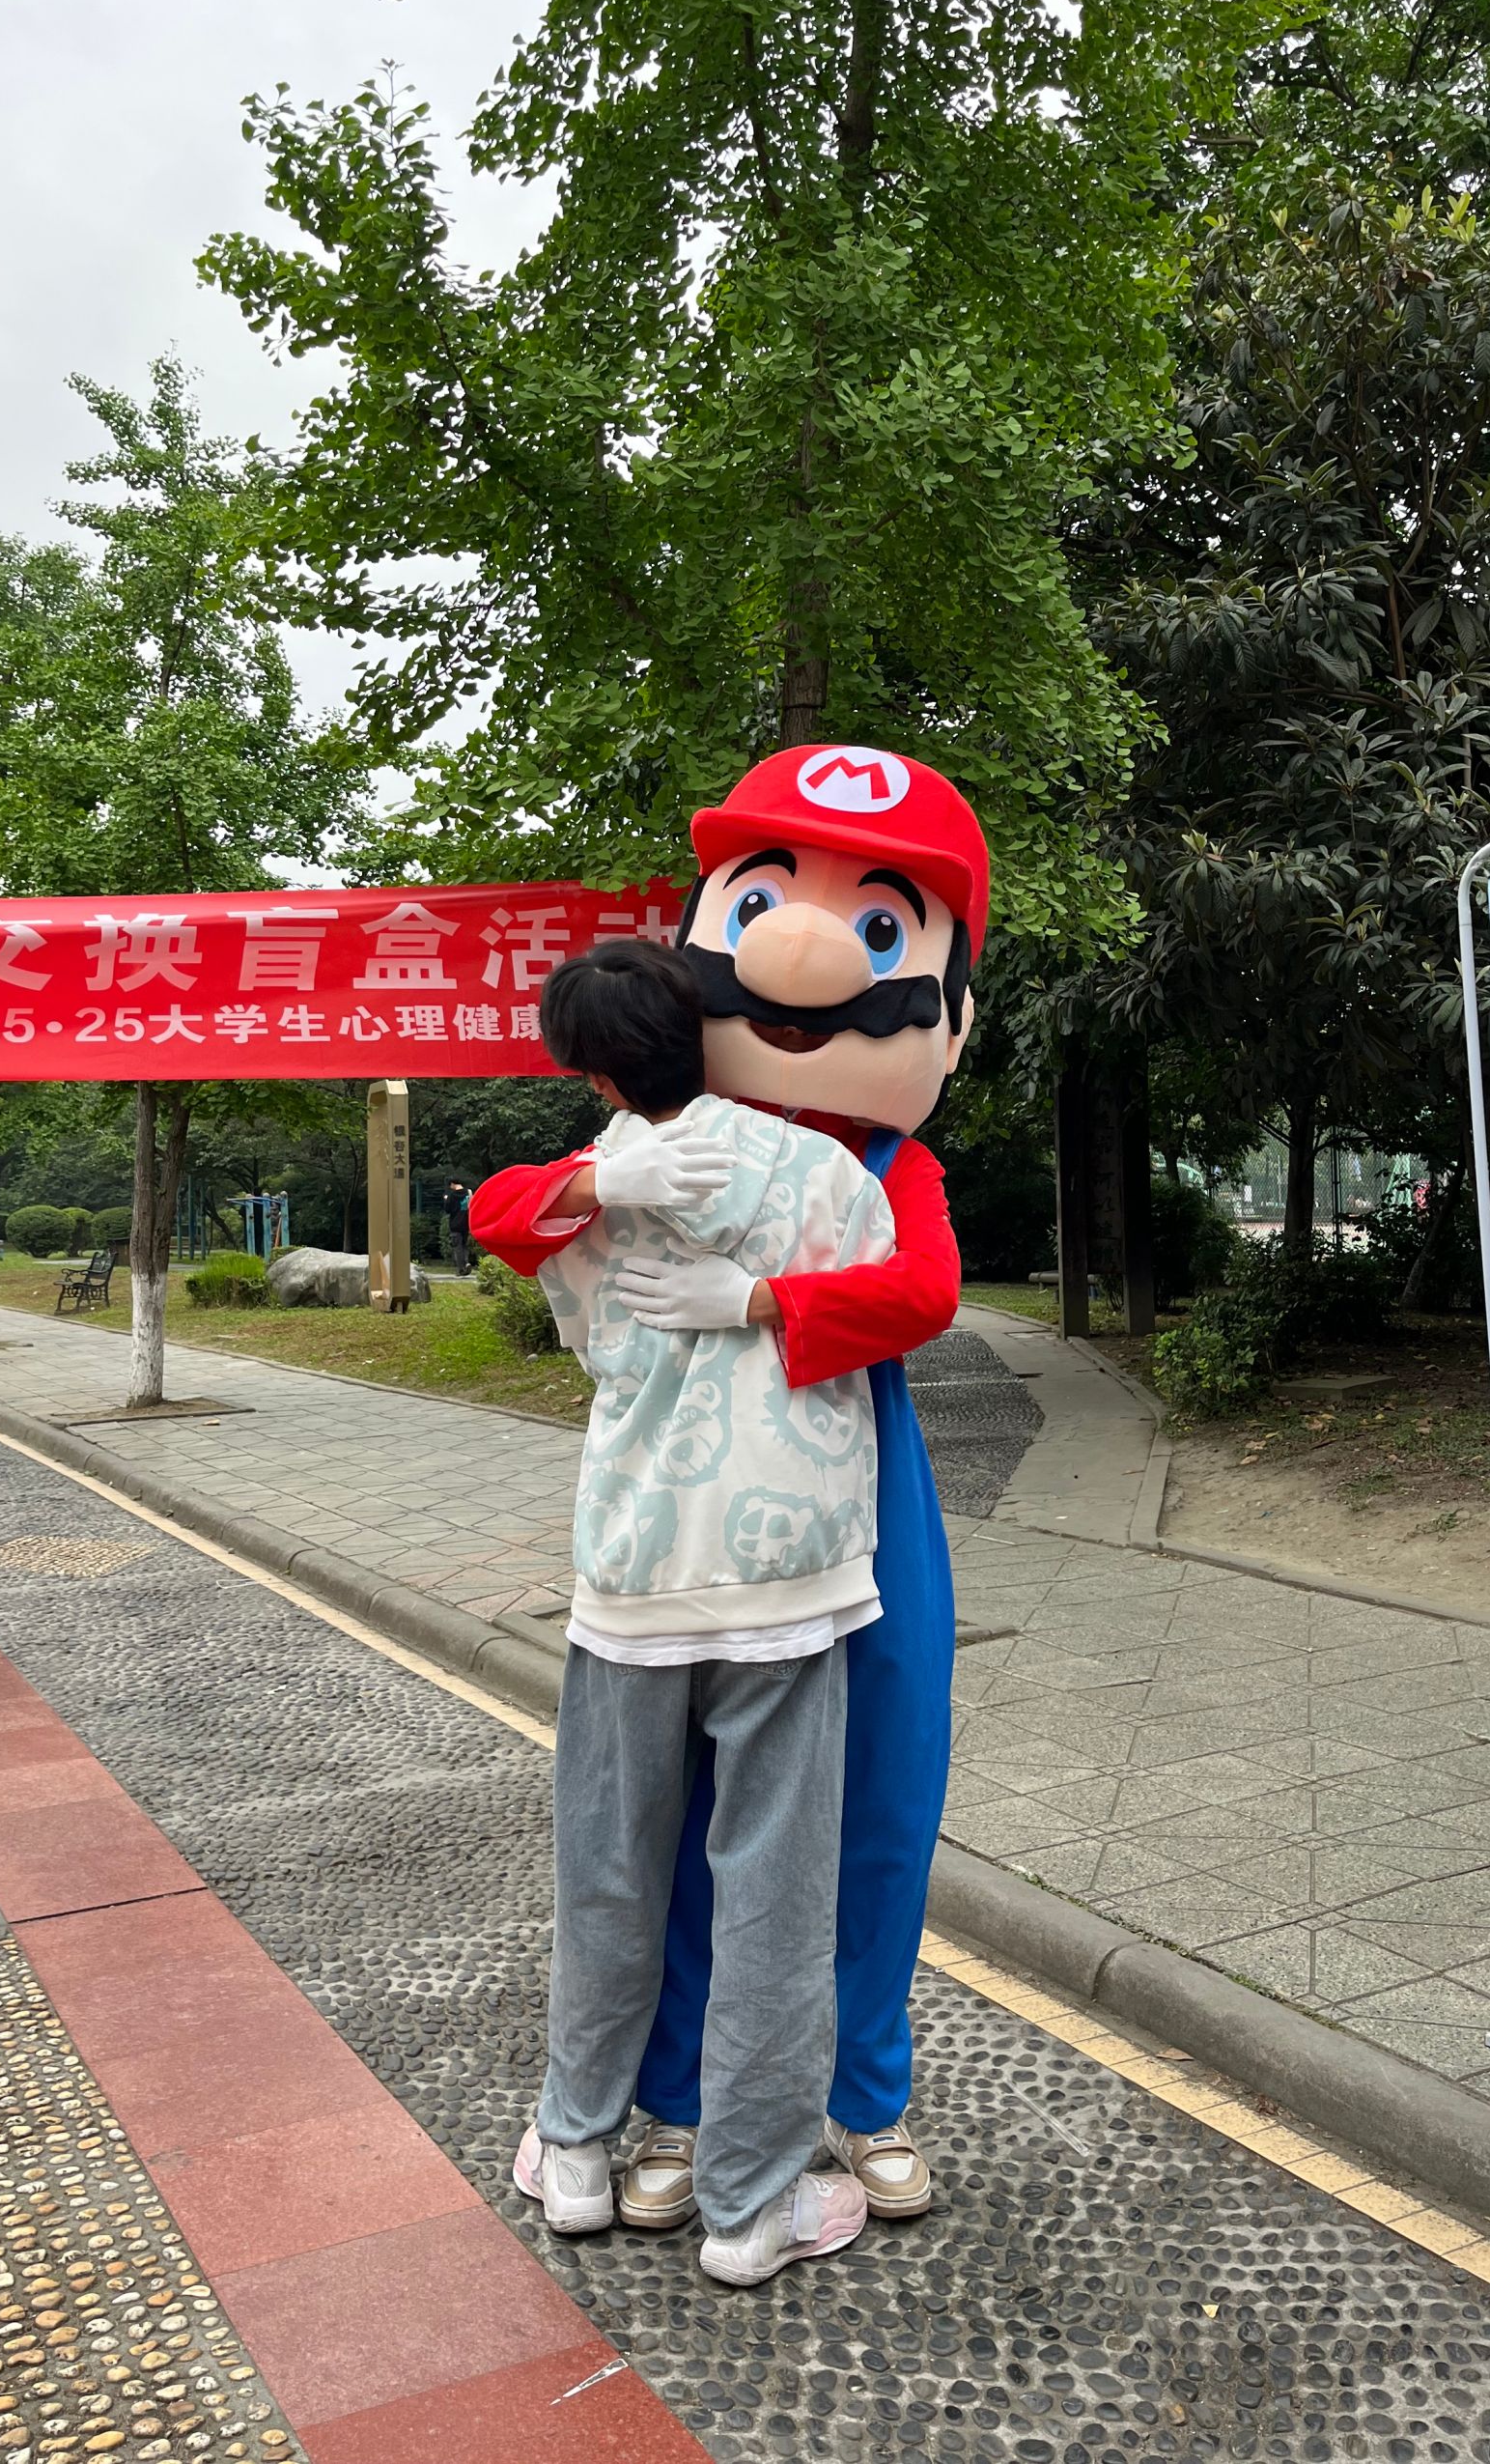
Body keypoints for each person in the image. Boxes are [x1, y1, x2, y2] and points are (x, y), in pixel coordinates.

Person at [473, 745, 986, 2228]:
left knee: (874, 1800)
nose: (803, 952)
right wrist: (599, 1183)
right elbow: (505, 1211)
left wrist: (761, 1302)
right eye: (759, 903)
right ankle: (688, 2103)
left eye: (879, 928)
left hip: (858, 1487)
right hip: (709, 1531)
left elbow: (924, 1293)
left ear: (952, 1007)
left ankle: (865, 2094)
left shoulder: (885, 1162)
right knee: (696, 1825)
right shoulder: (651, 1142)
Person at [505, 937, 892, 2286]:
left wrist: (597, 1184)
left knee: (609, 1870)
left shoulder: (591, 1190)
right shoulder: (824, 1173)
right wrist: (765, 1302)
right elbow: (895, 1305)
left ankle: (575, 2150)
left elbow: (562, 1308)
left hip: (635, 1573)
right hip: (791, 1573)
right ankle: (749, 2205)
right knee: (774, 1889)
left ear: (599, 1073)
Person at [441, 1178, 471, 1275]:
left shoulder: (452, 1196)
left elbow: (447, 1210)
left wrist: (446, 1200)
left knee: (457, 1247)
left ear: (453, 1184)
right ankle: (466, 1263)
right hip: (466, 1223)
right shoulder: (468, 1193)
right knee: (464, 1245)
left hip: (455, 1224)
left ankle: (461, 1269)